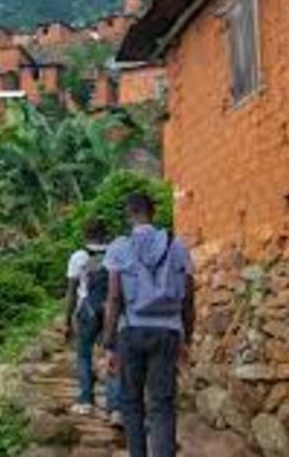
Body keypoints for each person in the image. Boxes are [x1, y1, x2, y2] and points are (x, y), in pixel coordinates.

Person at [101, 193, 195, 457]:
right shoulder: (177, 246)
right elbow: (188, 297)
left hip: (130, 331)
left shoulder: (119, 247)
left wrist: (109, 345)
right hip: (168, 332)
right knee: (162, 404)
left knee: (131, 402)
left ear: (129, 214)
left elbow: (115, 297)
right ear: (153, 213)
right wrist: (187, 337)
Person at [64, 219, 123, 426]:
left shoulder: (78, 257)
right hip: (111, 310)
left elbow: (71, 292)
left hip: (87, 311)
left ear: (84, 235)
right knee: (114, 355)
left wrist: (66, 321)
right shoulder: (116, 254)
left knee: (84, 355)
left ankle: (86, 400)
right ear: (105, 233)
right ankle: (116, 408)